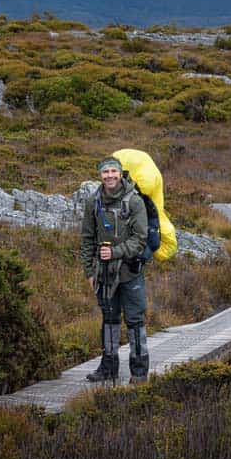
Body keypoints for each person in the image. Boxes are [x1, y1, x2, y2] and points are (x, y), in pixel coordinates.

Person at [81, 156, 150, 384]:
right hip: (104, 274)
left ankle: (139, 373)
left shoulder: (135, 202)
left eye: (113, 171)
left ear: (120, 173)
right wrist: (89, 272)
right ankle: (108, 368)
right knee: (109, 319)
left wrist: (115, 252)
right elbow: (87, 239)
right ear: (99, 175)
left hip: (130, 272)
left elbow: (140, 239)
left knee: (134, 320)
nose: (109, 176)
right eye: (105, 172)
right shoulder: (93, 202)